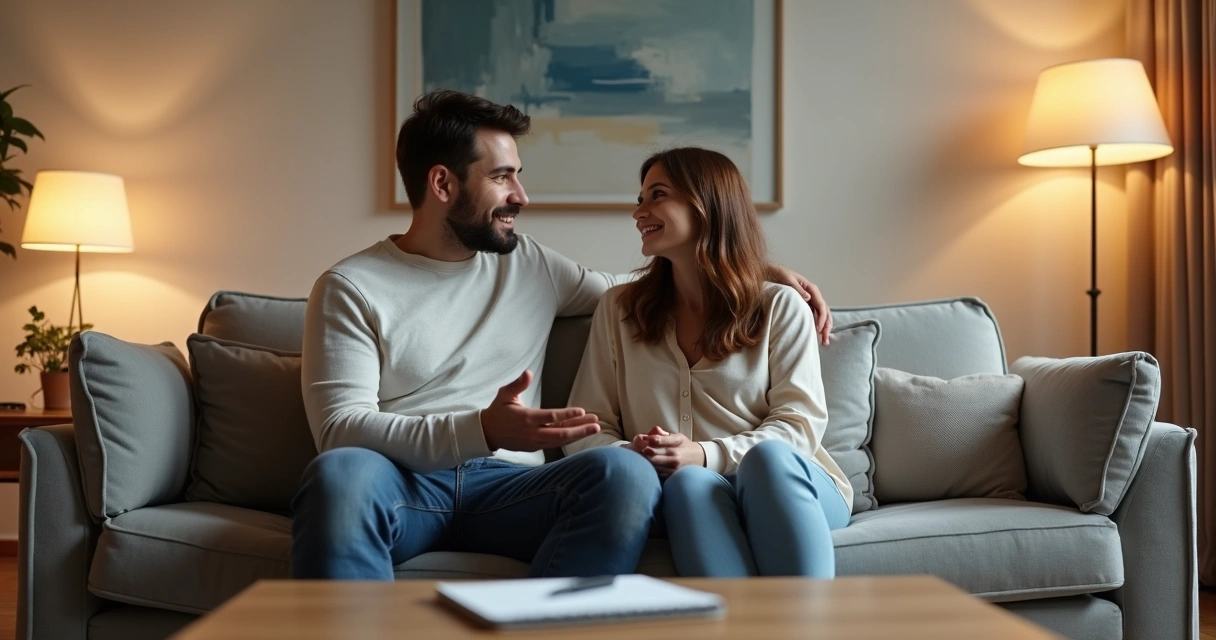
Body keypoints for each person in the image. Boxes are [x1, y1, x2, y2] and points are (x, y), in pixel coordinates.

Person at [292, 89, 834, 580]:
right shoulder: (351, 287)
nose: (521, 196)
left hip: (513, 490)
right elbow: (340, 429)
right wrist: (481, 427)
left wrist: (754, 271)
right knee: (341, 474)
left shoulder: (530, 265)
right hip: (401, 483)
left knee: (623, 473)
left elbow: (640, 284)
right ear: (442, 183)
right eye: (503, 176)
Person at [563, 147, 852, 578]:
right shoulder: (618, 309)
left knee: (767, 460)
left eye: (656, 195)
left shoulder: (780, 305)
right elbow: (587, 425)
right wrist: (635, 454)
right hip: (684, 492)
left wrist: (703, 453)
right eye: (640, 198)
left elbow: (799, 426)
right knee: (688, 482)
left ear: (706, 204)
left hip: (789, 486)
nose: (638, 212)